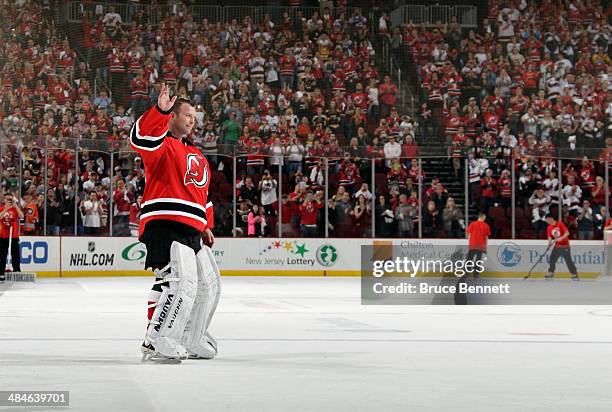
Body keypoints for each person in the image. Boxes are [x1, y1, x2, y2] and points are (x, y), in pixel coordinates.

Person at [130, 83, 220, 362]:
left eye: (194, 116)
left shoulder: (198, 155)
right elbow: (141, 136)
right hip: (166, 223)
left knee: (209, 285)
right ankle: (158, 339)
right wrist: (160, 110)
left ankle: (191, 335)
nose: (192, 120)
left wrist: (206, 224)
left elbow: (202, 193)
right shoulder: (160, 145)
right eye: (186, 114)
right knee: (179, 283)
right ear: (172, 117)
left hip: (192, 227)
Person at [545, 214, 578, 280]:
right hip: (557, 246)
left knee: (568, 261)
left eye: (548, 220)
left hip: (565, 246)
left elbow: (567, 233)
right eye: (546, 221)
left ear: (551, 218)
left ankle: (574, 273)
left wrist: (561, 238)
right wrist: (549, 245)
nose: (547, 222)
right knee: (552, 259)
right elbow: (549, 238)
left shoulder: (560, 224)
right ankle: (551, 272)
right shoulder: (549, 227)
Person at [0, 193, 24, 281]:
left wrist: (15, 206)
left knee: (15, 254)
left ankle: (16, 269)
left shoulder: (15, 209)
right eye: (7, 199)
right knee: (2, 255)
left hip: (14, 235)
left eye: (11, 199)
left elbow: (22, 216)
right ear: (4, 200)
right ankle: (1, 272)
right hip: (3, 235)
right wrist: (7, 208)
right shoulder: (2, 208)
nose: (9, 200)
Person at [466, 212, 491, 276]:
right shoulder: (486, 225)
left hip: (473, 244)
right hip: (481, 245)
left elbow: (469, 234)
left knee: (470, 258)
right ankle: (476, 273)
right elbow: (486, 237)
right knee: (478, 259)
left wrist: (470, 243)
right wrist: (486, 247)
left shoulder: (472, 224)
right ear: (483, 217)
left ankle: (467, 271)